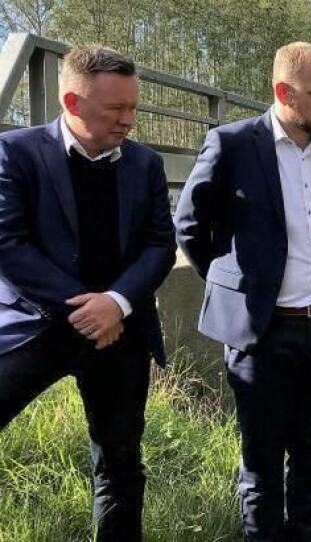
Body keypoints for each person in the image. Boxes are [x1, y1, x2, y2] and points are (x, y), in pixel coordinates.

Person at [174, 41, 311, 540]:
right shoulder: (232, 145)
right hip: (262, 336)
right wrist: (239, 289)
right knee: (260, 469)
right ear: (284, 91)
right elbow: (191, 227)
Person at [0, 45, 176, 540]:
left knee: (120, 462)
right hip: (35, 325)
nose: (130, 119)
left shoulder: (145, 164)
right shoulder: (16, 152)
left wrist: (116, 303)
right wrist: (87, 308)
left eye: (133, 106)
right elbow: (8, 245)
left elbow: (161, 245)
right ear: (73, 104)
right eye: (116, 109)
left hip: (119, 330)